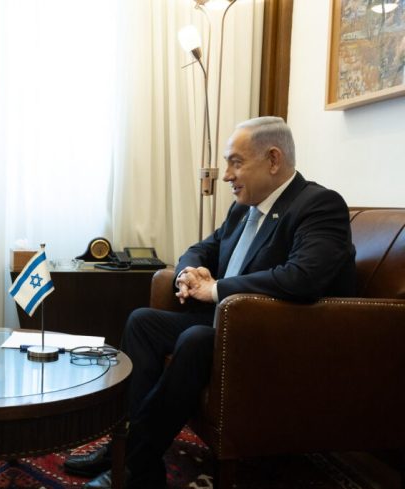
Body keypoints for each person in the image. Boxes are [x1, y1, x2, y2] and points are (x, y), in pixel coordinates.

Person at [64, 116, 357, 489]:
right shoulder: (244, 208)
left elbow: (302, 277)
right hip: (228, 325)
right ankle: (126, 448)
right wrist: (188, 273)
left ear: (273, 159)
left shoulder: (319, 205)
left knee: (196, 339)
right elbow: (202, 248)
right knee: (142, 322)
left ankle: (134, 463)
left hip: (279, 336)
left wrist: (216, 289)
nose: (226, 175)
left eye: (236, 162)